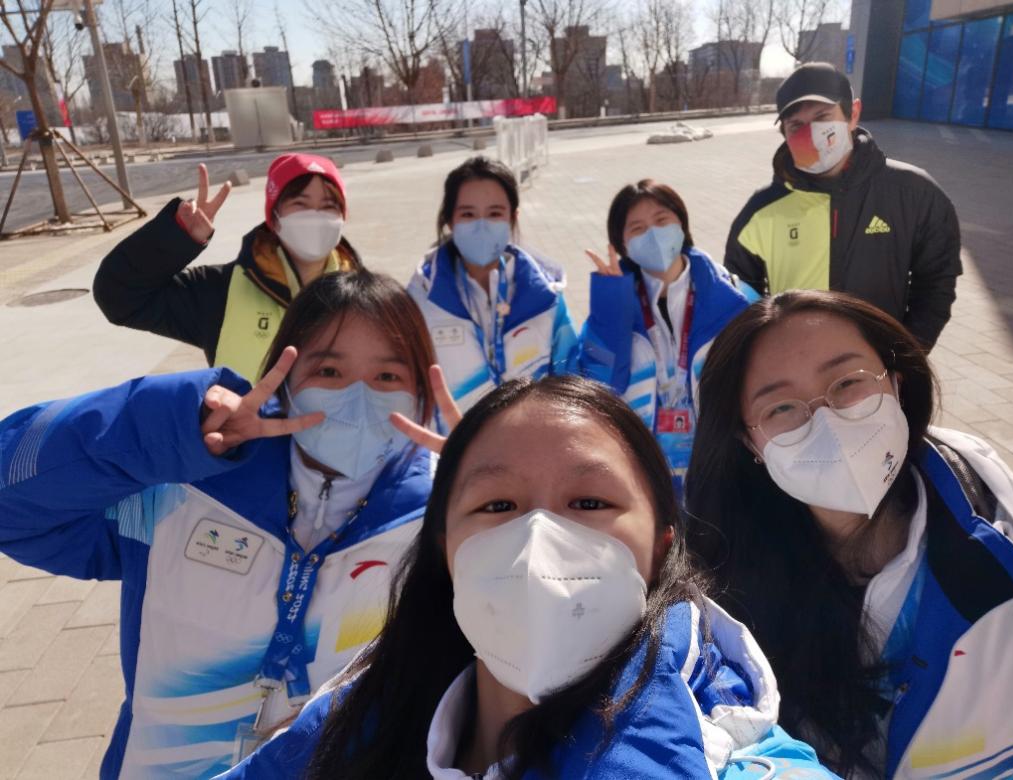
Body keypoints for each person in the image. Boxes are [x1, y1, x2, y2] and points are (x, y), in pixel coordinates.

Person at [220, 375, 839, 780]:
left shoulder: (730, 756)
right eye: (497, 505)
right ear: (446, 549)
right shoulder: (345, 729)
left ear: (660, 546)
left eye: (590, 503)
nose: (539, 537)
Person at [0, 271, 437, 778]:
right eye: (329, 371)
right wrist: (172, 426)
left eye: (387, 377)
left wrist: (494, 490)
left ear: (420, 391)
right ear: (284, 382)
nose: (358, 399)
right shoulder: (179, 492)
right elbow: (13, 505)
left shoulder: (443, 523)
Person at [686, 290, 1013, 778]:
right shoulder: (719, 592)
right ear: (751, 442)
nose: (827, 422)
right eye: (782, 408)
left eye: (848, 382)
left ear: (896, 383)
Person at [724, 62, 962, 352]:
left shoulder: (914, 194)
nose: (810, 133)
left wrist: (907, 356)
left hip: (880, 364)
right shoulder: (761, 212)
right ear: (784, 132)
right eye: (796, 125)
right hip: (797, 367)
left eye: (822, 117)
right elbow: (738, 299)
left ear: (853, 114)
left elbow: (936, 282)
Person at [93, 153, 363, 381]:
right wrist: (177, 237)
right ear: (274, 217)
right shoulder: (219, 290)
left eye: (328, 206)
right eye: (300, 204)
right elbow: (118, 296)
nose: (315, 216)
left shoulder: (366, 298)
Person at [580, 180, 757, 489]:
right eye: (637, 228)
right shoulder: (611, 306)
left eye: (661, 221)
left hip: (721, 469)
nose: (653, 234)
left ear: (681, 224)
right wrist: (611, 306)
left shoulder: (733, 297)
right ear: (622, 244)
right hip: (641, 471)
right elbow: (599, 387)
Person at [407, 156, 578, 417]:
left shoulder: (546, 298)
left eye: (495, 214)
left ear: (513, 218)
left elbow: (571, 378)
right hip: (453, 441)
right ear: (450, 221)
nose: (482, 226)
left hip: (531, 439)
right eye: (468, 214)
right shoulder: (420, 299)